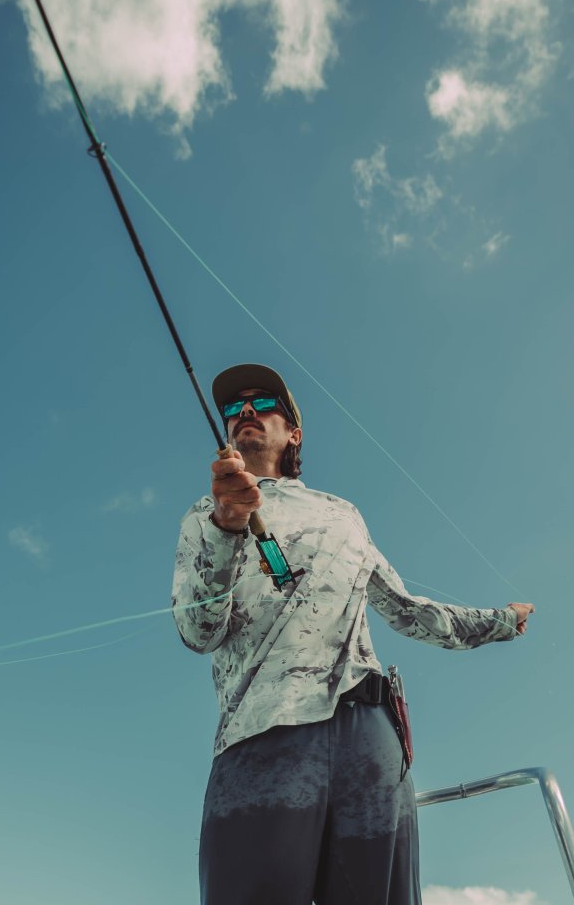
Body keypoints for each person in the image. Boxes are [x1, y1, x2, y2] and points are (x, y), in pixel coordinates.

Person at [171, 362, 534, 905]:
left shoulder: (343, 514)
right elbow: (198, 632)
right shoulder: (204, 514)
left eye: (263, 403)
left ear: (294, 433)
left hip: (369, 735)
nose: (244, 412)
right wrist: (226, 526)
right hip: (262, 735)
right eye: (233, 408)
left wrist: (502, 621)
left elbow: (410, 612)